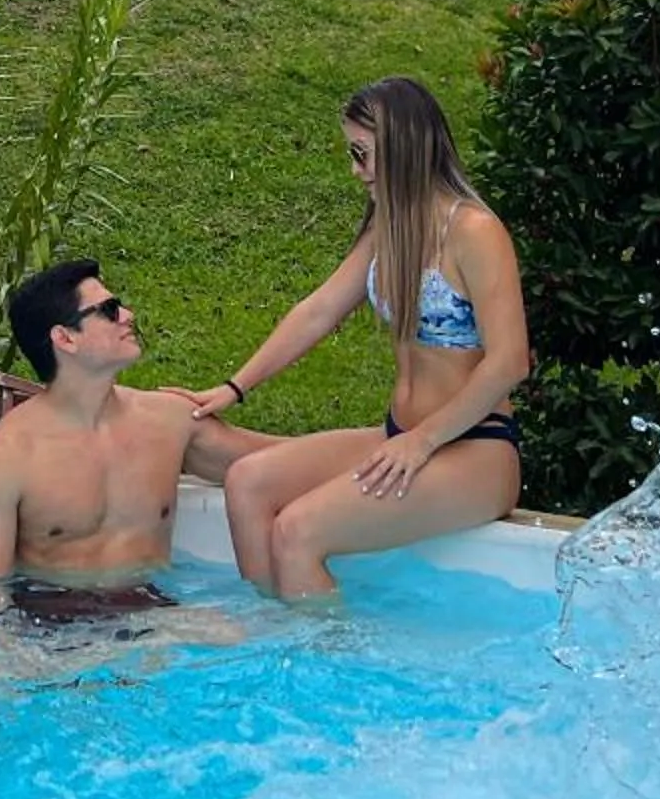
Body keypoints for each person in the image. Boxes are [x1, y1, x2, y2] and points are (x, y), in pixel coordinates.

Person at [186, 76, 531, 598]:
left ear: (403, 146)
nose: (355, 170)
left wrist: (423, 440)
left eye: (363, 154)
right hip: (400, 440)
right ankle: (267, 643)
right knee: (247, 483)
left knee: (298, 532)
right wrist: (235, 387)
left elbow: (509, 363)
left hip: (473, 451)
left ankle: (322, 667)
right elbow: (318, 311)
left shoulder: (476, 233)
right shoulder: (389, 227)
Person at [0, 260, 267, 622]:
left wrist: (348, 453)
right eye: (109, 310)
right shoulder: (7, 457)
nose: (128, 315)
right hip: (50, 627)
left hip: (151, 611)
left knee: (237, 637)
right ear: (65, 338)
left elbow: (280, 466)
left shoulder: (169, 421)